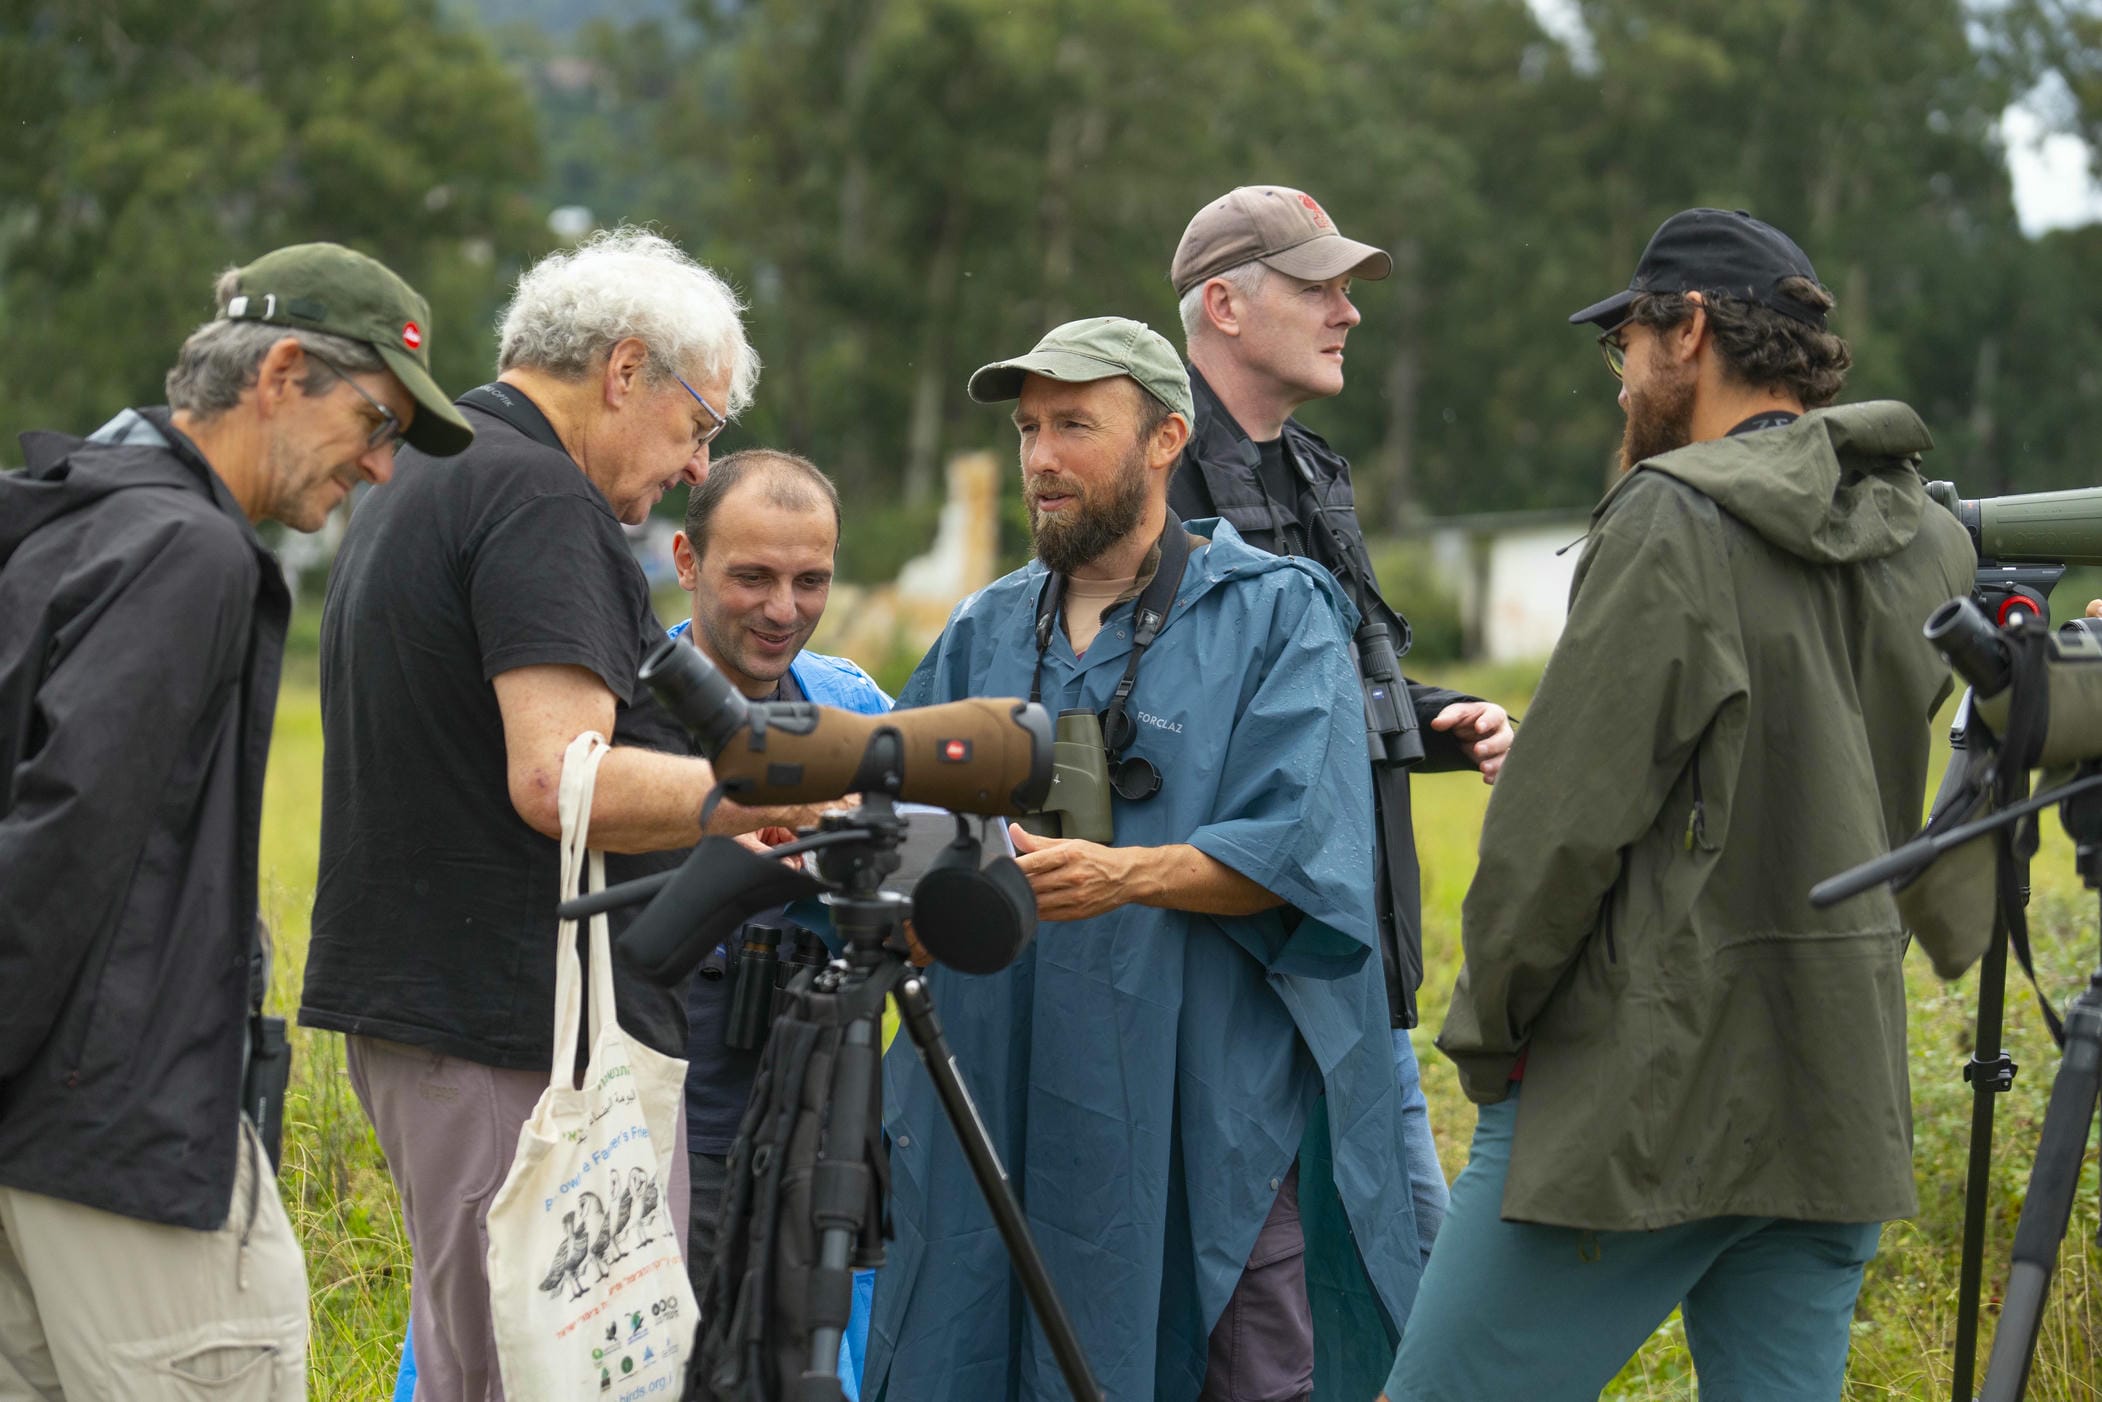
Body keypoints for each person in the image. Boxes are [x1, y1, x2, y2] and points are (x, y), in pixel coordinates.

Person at [1381, 208, 1977, 1402]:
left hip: (1642, 1091)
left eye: (1627, 350)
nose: (1621, 389)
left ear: (1688, 329)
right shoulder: (1923, 537)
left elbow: (1557, 831)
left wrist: (1489, 1039)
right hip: (1836, 1088)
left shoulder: (1669, 517)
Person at [866, 317, 1422, 1402]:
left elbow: (1303, 853)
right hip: (1003, 1080)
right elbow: (899, 822)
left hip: (1206, 1093)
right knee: (983, 1337)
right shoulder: (982, 631)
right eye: (1028, 429)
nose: (1039, 457)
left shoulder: (1273, 614)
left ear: (1166, 438)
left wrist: (1128, 874)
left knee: (1236, 1353)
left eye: (1074, 423)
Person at [301, 227, 789, 1401]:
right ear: (624, 372)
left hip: (439, 1013)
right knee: (559, 1375)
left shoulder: (436, 469)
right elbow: (556, 775)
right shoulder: (539, 496)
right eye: (695, 426)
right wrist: (766, 795)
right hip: (513, 1034)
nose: (694, 467)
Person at [0, 243, 472, 1399]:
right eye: (375, 422)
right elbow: (70, 836)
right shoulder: (192, 550)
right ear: (281, 374)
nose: (375, 467)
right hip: (125, 1129)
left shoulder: (68, 515)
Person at [1168, 185, 1514, 1256]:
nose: (1347, 312)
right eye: (1318, 286)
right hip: (1232, 982)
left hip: (1347, 958)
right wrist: (1390, 714)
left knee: (1391, 1284)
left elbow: (1328, 677)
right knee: (1276, 1308)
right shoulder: (1149, 468)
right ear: (1222, 305)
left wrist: (1439, 715)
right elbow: (1211, 709)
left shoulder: (1314, 469)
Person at [662, 448, 887, 1314]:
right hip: (665, 1123)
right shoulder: (619, 702)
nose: (782, 610)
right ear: (687, 561)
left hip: (816, 1114)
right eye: (751, 577)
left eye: (812, 580)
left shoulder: (854, 705)